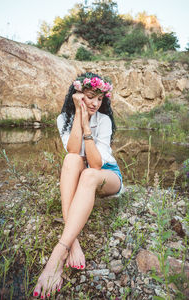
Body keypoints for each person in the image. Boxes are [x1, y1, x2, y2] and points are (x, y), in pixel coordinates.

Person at [33, 72, 123, 298]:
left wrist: (86, 125)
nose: (95, 103)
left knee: (89, 175)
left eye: (100, 99)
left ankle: (59, 252)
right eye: (90, 97)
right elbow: (74, 152)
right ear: (78, 95)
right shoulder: (63, 118)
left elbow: (95, 163)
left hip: (105, 174)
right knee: (71, 160)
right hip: (82, 170)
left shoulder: (104, 120)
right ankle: (73, 243)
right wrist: (78, 116)